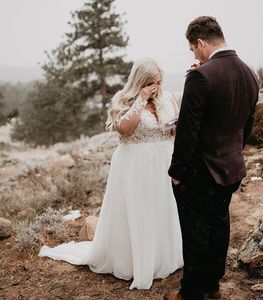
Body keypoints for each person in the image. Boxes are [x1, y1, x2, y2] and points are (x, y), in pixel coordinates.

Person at [39, 58, 183, 290]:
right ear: (140, 82)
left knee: (161, 207)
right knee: (139, 209)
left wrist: (174, 127)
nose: (156, 87)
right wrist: (141, 100)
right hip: (135, 166)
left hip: (163, 161)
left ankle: (161, 257)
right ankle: (134, 261)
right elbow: (124, 130)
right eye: (150, 83)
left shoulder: (167, 98)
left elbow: (176, 128)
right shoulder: (123, 100)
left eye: (158, 81)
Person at [165, 16, 259, 300]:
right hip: (231, 168)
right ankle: (212, 285)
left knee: (194, 232)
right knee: (219, 225)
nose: (194, 55)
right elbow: (247, 125)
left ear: (202, 42)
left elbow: (188, 131)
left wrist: (177, 171)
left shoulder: (201, 76)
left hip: (200, 171)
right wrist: (232, 152)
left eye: (193, 48)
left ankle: (191, 292)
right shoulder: (249, 74)